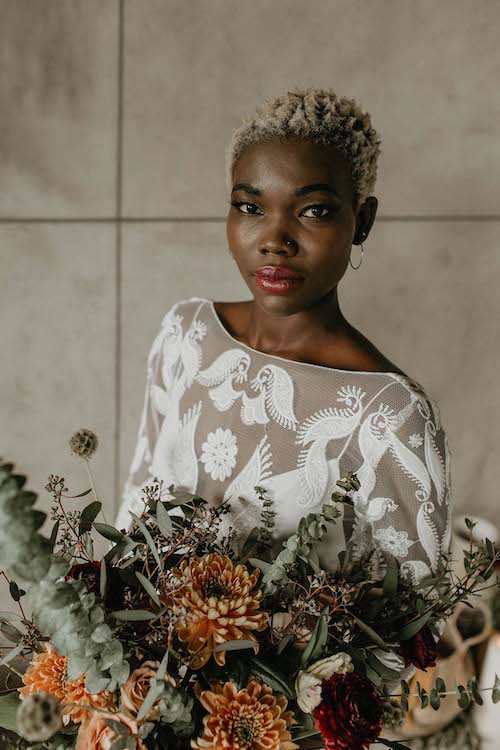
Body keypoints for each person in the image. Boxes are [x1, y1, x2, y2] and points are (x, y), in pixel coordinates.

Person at [116, 87, 469, 749]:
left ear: (361, 221)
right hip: (140, 714)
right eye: (249, 207)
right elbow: (134, 514)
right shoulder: (185, 335)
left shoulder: (391, 415)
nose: (273, 239)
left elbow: (399, 650)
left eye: (313, 211)